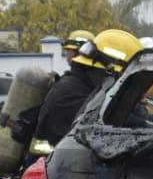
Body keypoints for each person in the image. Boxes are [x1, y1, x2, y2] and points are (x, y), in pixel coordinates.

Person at [30, 28, 140, 158]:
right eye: (121, 77)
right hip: (57, 167)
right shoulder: (73, 95)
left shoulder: (86, 87)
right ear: (108, 71)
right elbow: (118, 122)